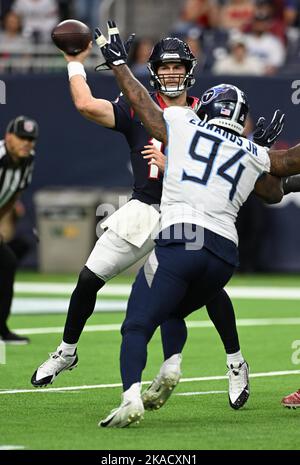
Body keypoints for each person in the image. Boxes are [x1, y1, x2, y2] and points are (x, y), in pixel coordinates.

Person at [31, 31, 286, 411]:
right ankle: (67, 351)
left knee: (209, 288)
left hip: (190, 209)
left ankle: (234, 363)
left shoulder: (209, 109)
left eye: (177, 66)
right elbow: (86, 105)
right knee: (89, 277)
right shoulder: (138, 104)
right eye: (164, 66)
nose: (170, 73)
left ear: (189, 70)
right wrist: (74, 61)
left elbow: (242, 163)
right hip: (147, 207)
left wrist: (258, 151)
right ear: (152, 71)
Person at [94, 21, 300, 427]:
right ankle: (191, 366)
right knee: (178, 307)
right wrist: (257, 146)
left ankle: (131, 395)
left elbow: (145, 110)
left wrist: (120, 65)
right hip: (224, 256)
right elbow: (281, 180)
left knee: (137, 322)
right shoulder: (252, 150)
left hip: (181, 239)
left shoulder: (184, 122)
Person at [0, 115, 38, 344]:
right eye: (22, 137)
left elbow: (14, 193)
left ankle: (1, 328)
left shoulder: (27, 160)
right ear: (8, 137)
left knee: (7, 262)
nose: (27, 143)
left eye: (31, 139)